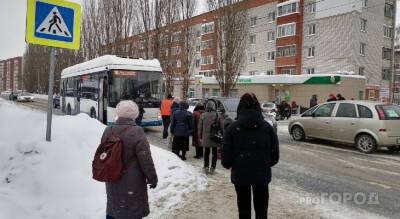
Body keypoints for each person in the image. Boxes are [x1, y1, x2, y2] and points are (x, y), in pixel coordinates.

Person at [222, 93, 279, 219]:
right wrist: (265, 163)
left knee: (243, 209)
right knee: (262, 209)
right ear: (258, 107)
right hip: (262, 174)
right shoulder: (267, 127)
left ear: (240, 107)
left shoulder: (232, 128)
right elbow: (275, 153)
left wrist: (230, 164)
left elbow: (226, 155)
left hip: (241, 173)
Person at [101, 100, 158, 219]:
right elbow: (145, 159)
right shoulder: (137, 131)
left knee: (114, 205)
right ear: (135, 114)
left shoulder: (108, 130)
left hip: (112, 177)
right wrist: (152, 178)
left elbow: (103, 154)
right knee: (132, 208)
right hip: (133, 181)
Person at [199, 101, 223, 174]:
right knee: (214, 153)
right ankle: (213, 167)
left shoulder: (203, 115)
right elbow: (221, 127)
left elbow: (200, 127)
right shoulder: (217, 115)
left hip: (206, 137)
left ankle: (206, 167)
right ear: (214, 107)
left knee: (206, 152)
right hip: (215, 137)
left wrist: (200, 136)